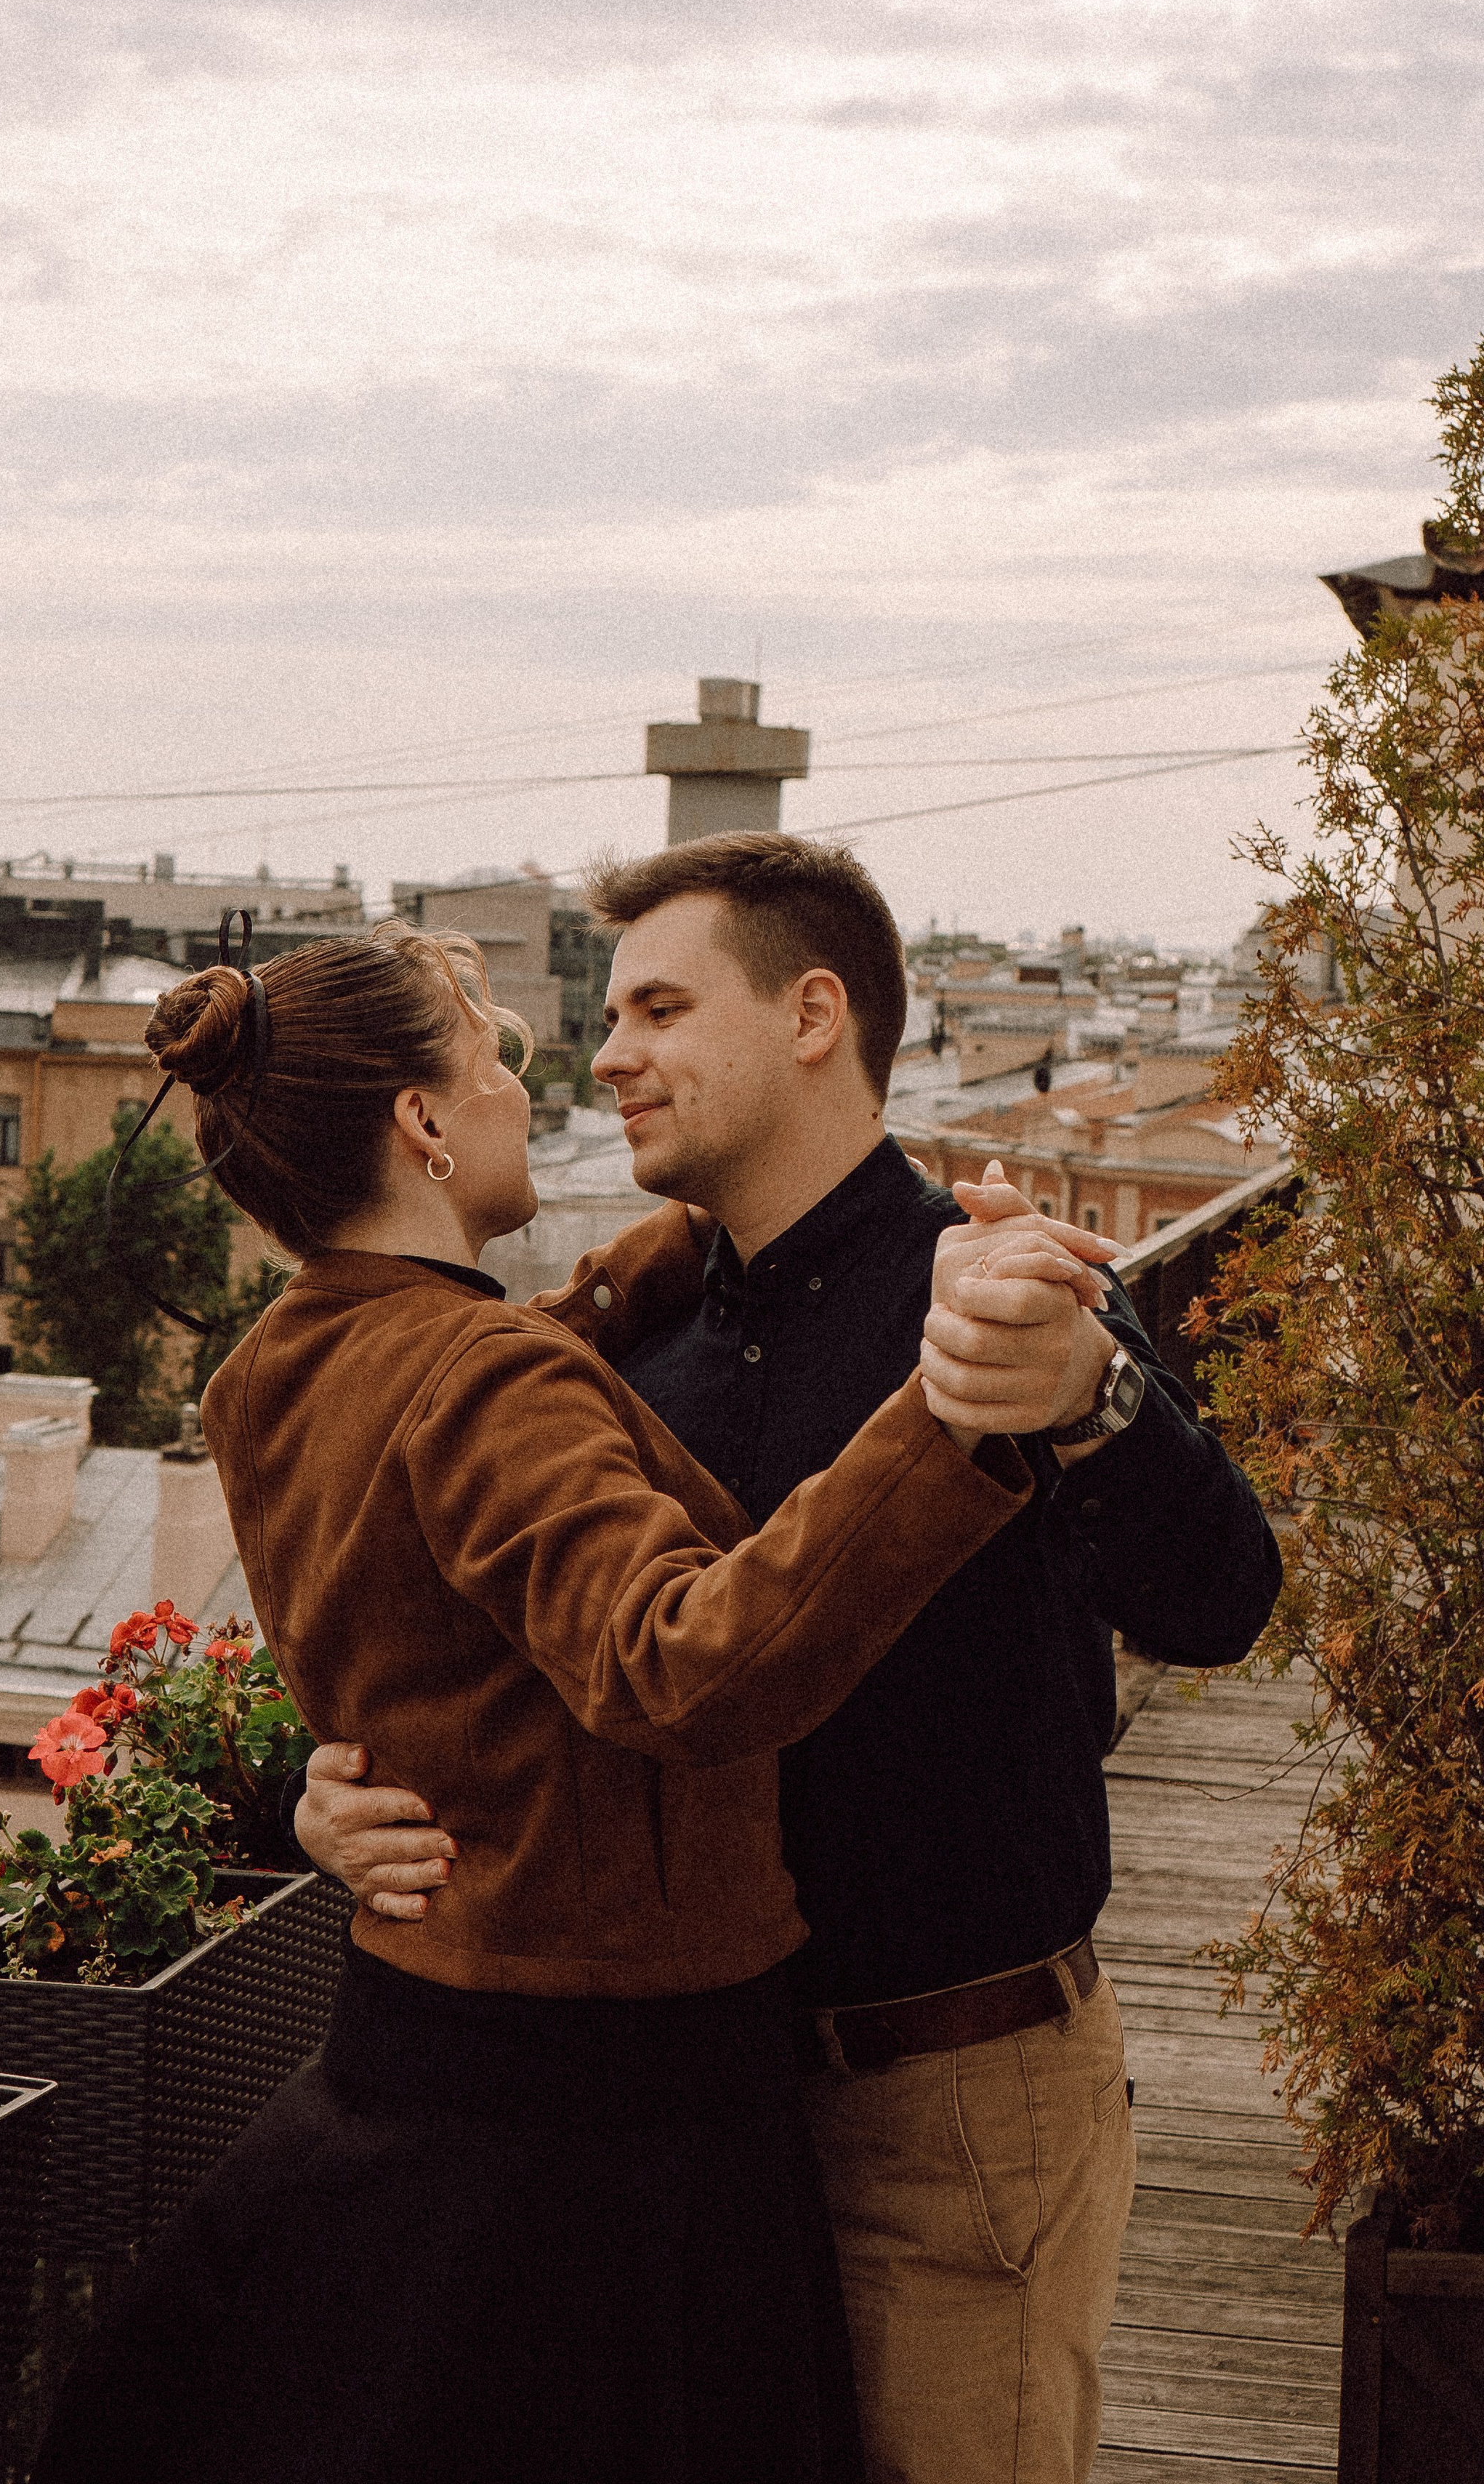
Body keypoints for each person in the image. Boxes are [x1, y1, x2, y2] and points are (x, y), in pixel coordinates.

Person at [27, 919, 1104, 2484]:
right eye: (497, 1064)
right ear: (423, 1125)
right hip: (610, 2129)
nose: (534, 1095)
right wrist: (952, 1427)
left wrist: (664, 1253)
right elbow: (682, 1659)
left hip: (407, 2064)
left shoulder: (273, 1368)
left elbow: (464, 1409)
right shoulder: (481, 1381)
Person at [297, 835, 1283, 2484]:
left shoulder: (977, 1292)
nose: (606, 1055)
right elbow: (494, 1649)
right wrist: (316, 1798)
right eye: (611, 1016)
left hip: (948, 2103)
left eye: (660, 1008)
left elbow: (1220, 1603)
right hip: (687, 2127)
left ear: (812, 1013)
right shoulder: (649, 1341)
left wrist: (1094, 1399)